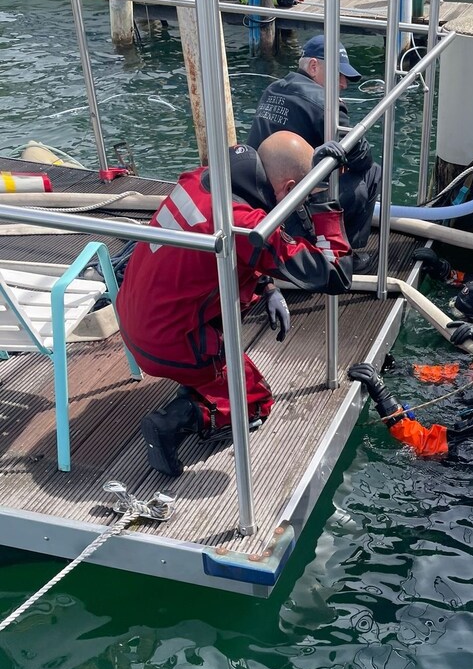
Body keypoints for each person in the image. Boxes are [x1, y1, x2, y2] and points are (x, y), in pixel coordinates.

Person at [116, 132, 353, 478]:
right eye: (299, 196)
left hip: (135, 315)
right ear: (288, 189)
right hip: (168, 341)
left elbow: (224, 258)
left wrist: (267, 285)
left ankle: (199, 378)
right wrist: (323, 200)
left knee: (233, 308)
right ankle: (176, 420)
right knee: (255, 402)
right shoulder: (245, 224)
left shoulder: (205, 178)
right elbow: (334, 274)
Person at [246, 35, 382, 268]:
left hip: (259, 205)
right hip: (295, 212)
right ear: (313, 66)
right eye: (339, 75)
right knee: (372, 174)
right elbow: (362, 159)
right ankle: (343, 253)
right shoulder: (326, 104)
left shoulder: (272, 89)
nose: (343, 84)